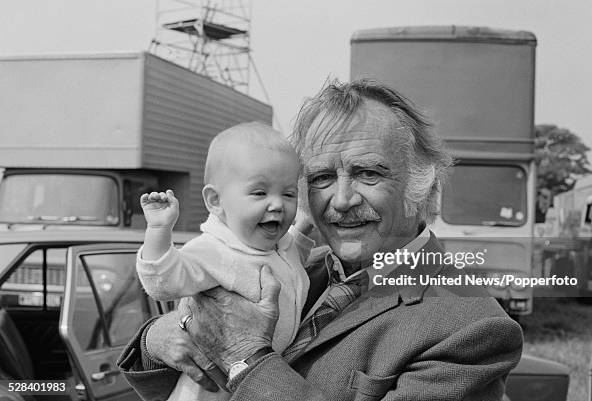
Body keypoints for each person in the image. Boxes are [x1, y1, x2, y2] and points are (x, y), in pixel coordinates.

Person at [119, 79, 523, 400]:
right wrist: (161, 336)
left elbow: (242, 354)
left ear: (422, 188)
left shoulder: (471, 327)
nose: (342, 200)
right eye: (321, 179)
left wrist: (247, 357)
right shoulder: (296, 265)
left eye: (369, 174)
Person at [135, 122, 314, 400]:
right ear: (216, 201)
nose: (278, 204)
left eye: (288, 194)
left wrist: (301, 234)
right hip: (210, 385)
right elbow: (163, 282)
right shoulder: (214, 250)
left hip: (263, 378)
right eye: (259, 192)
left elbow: (293, 266)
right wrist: (158, 232)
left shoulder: (281, 243)